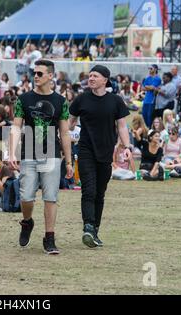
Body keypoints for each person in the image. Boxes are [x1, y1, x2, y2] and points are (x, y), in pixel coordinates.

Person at [9, 59, 73, 255]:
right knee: (26, 197)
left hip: (52, 154)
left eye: (39, 73)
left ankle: (50, 238)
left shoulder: (61, 102)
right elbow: (16, 127)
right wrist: (11, 152)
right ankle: (27, 222)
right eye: (34, 73)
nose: (35, 76)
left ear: (51, 76)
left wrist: (69, 161)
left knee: (50, 197)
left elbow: (65, 133)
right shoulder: (23, 99)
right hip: (28, 153)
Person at [68, 65, 131, 248]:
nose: (91, 78)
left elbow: (121, 126)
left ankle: (94, 230)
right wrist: (66, 132)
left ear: (105, 80)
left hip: (106, 152)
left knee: (100, 193)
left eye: (95, 76)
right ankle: (88, 227)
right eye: (90, 75)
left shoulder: (115, 101)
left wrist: (127, 147)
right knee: (88, 190)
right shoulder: (81, 99)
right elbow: (70, 122)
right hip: (86, 150)